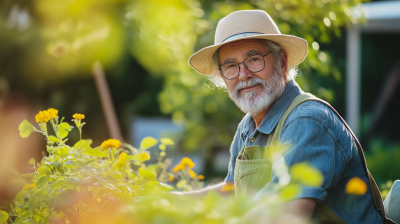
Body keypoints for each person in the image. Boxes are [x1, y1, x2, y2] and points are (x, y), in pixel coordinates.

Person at [183, 10, 395, 223]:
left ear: (282, 62)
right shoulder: (248, 126)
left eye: (254, 59)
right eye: (231, 66)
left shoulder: (307, 120)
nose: (243, 74)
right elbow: (232, 191)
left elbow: (286, 213)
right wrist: (164, 199)